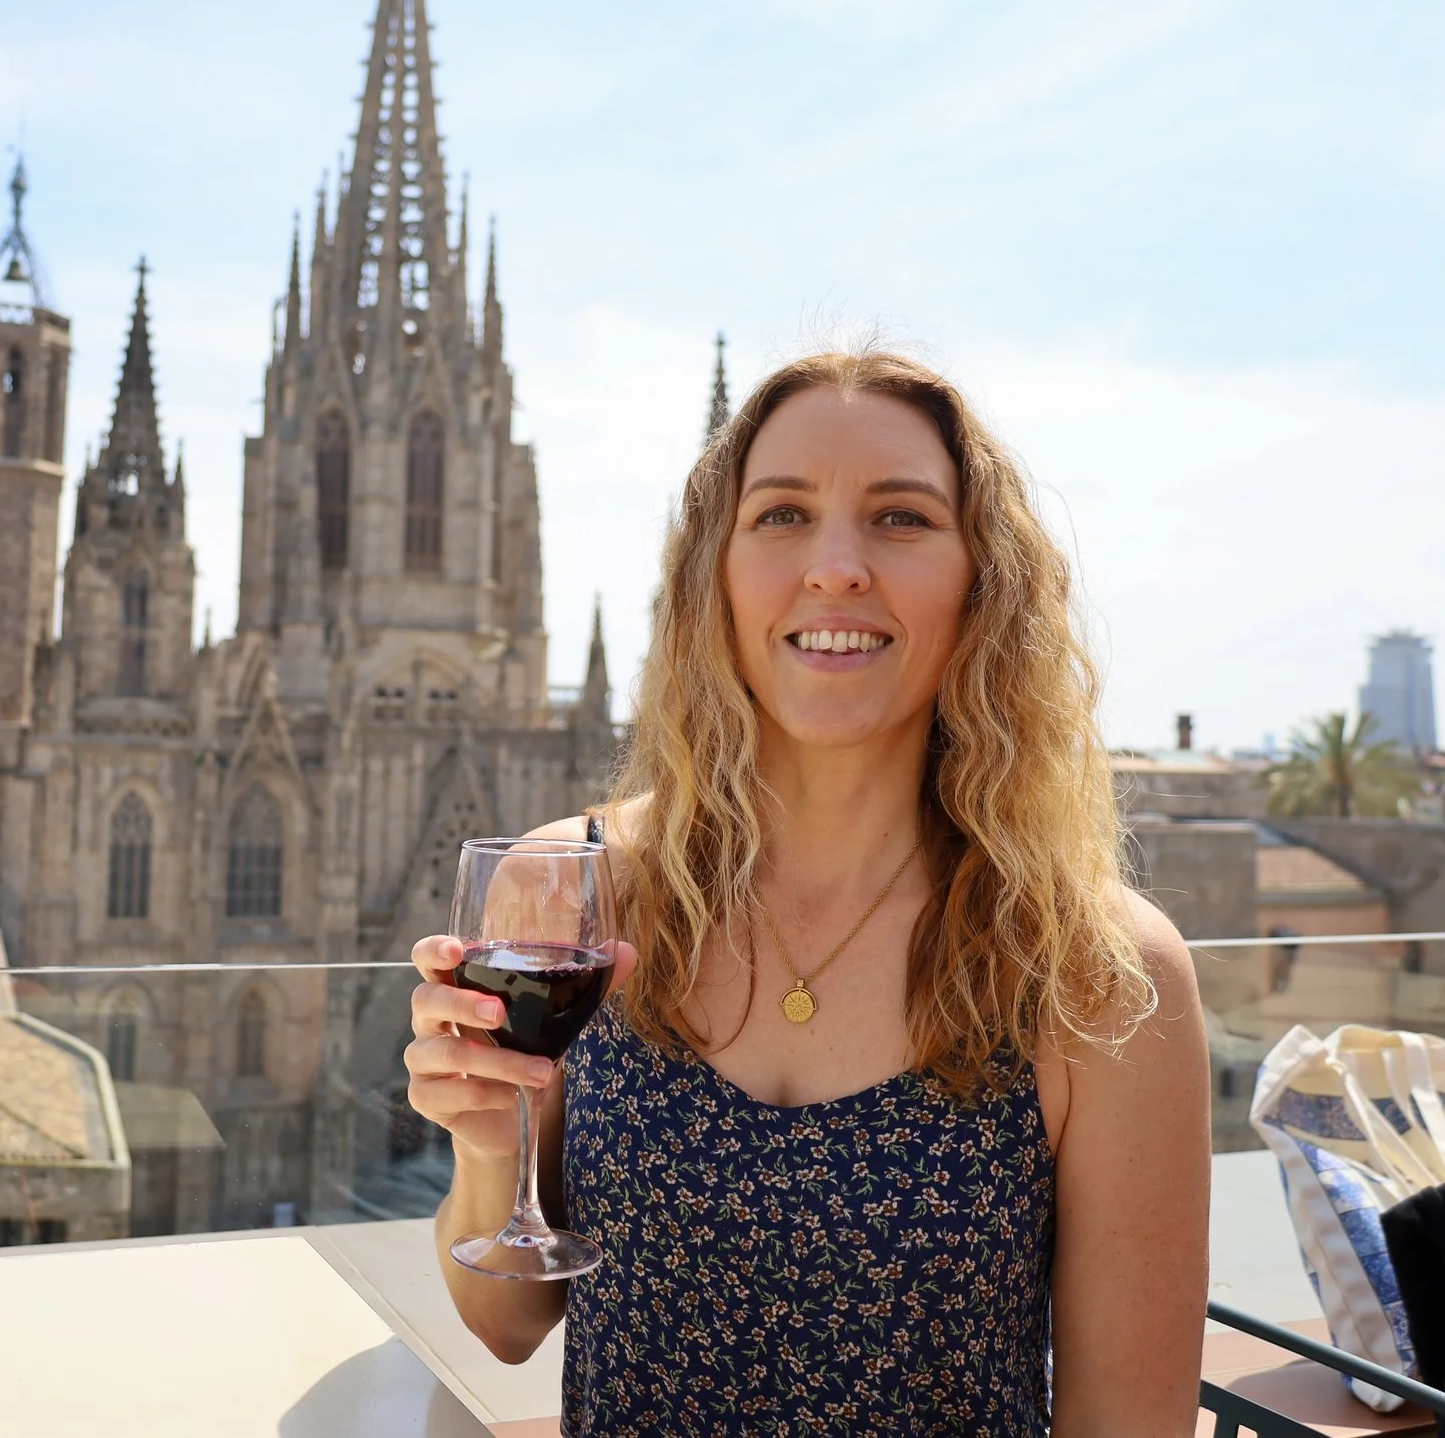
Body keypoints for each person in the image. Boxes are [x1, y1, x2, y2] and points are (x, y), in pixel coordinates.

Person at [405, 348, 1211, 1434]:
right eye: (780, 514)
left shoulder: (1094, 968)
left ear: (986, 579)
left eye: (902, 517)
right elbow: (506, 1323)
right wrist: (488, 1145)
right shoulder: (577, 891)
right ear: (714, 576)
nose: (834, 565)